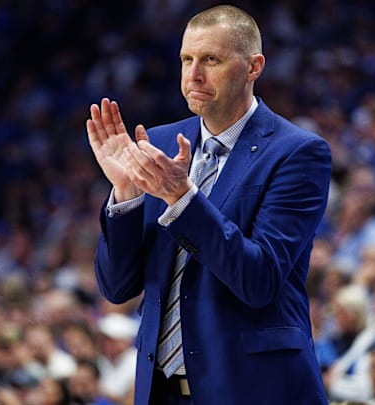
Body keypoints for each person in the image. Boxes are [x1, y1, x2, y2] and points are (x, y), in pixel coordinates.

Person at [86, 4, 331, 405]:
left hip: (253, 390)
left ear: (254, 67)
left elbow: (259, 279)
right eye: (186, 59)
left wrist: (182, 198)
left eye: (211, 60)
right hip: (161, 391)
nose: (193, 75)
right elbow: (116, 287)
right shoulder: (160, 144)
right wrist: (126, 194)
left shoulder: (297, 153)